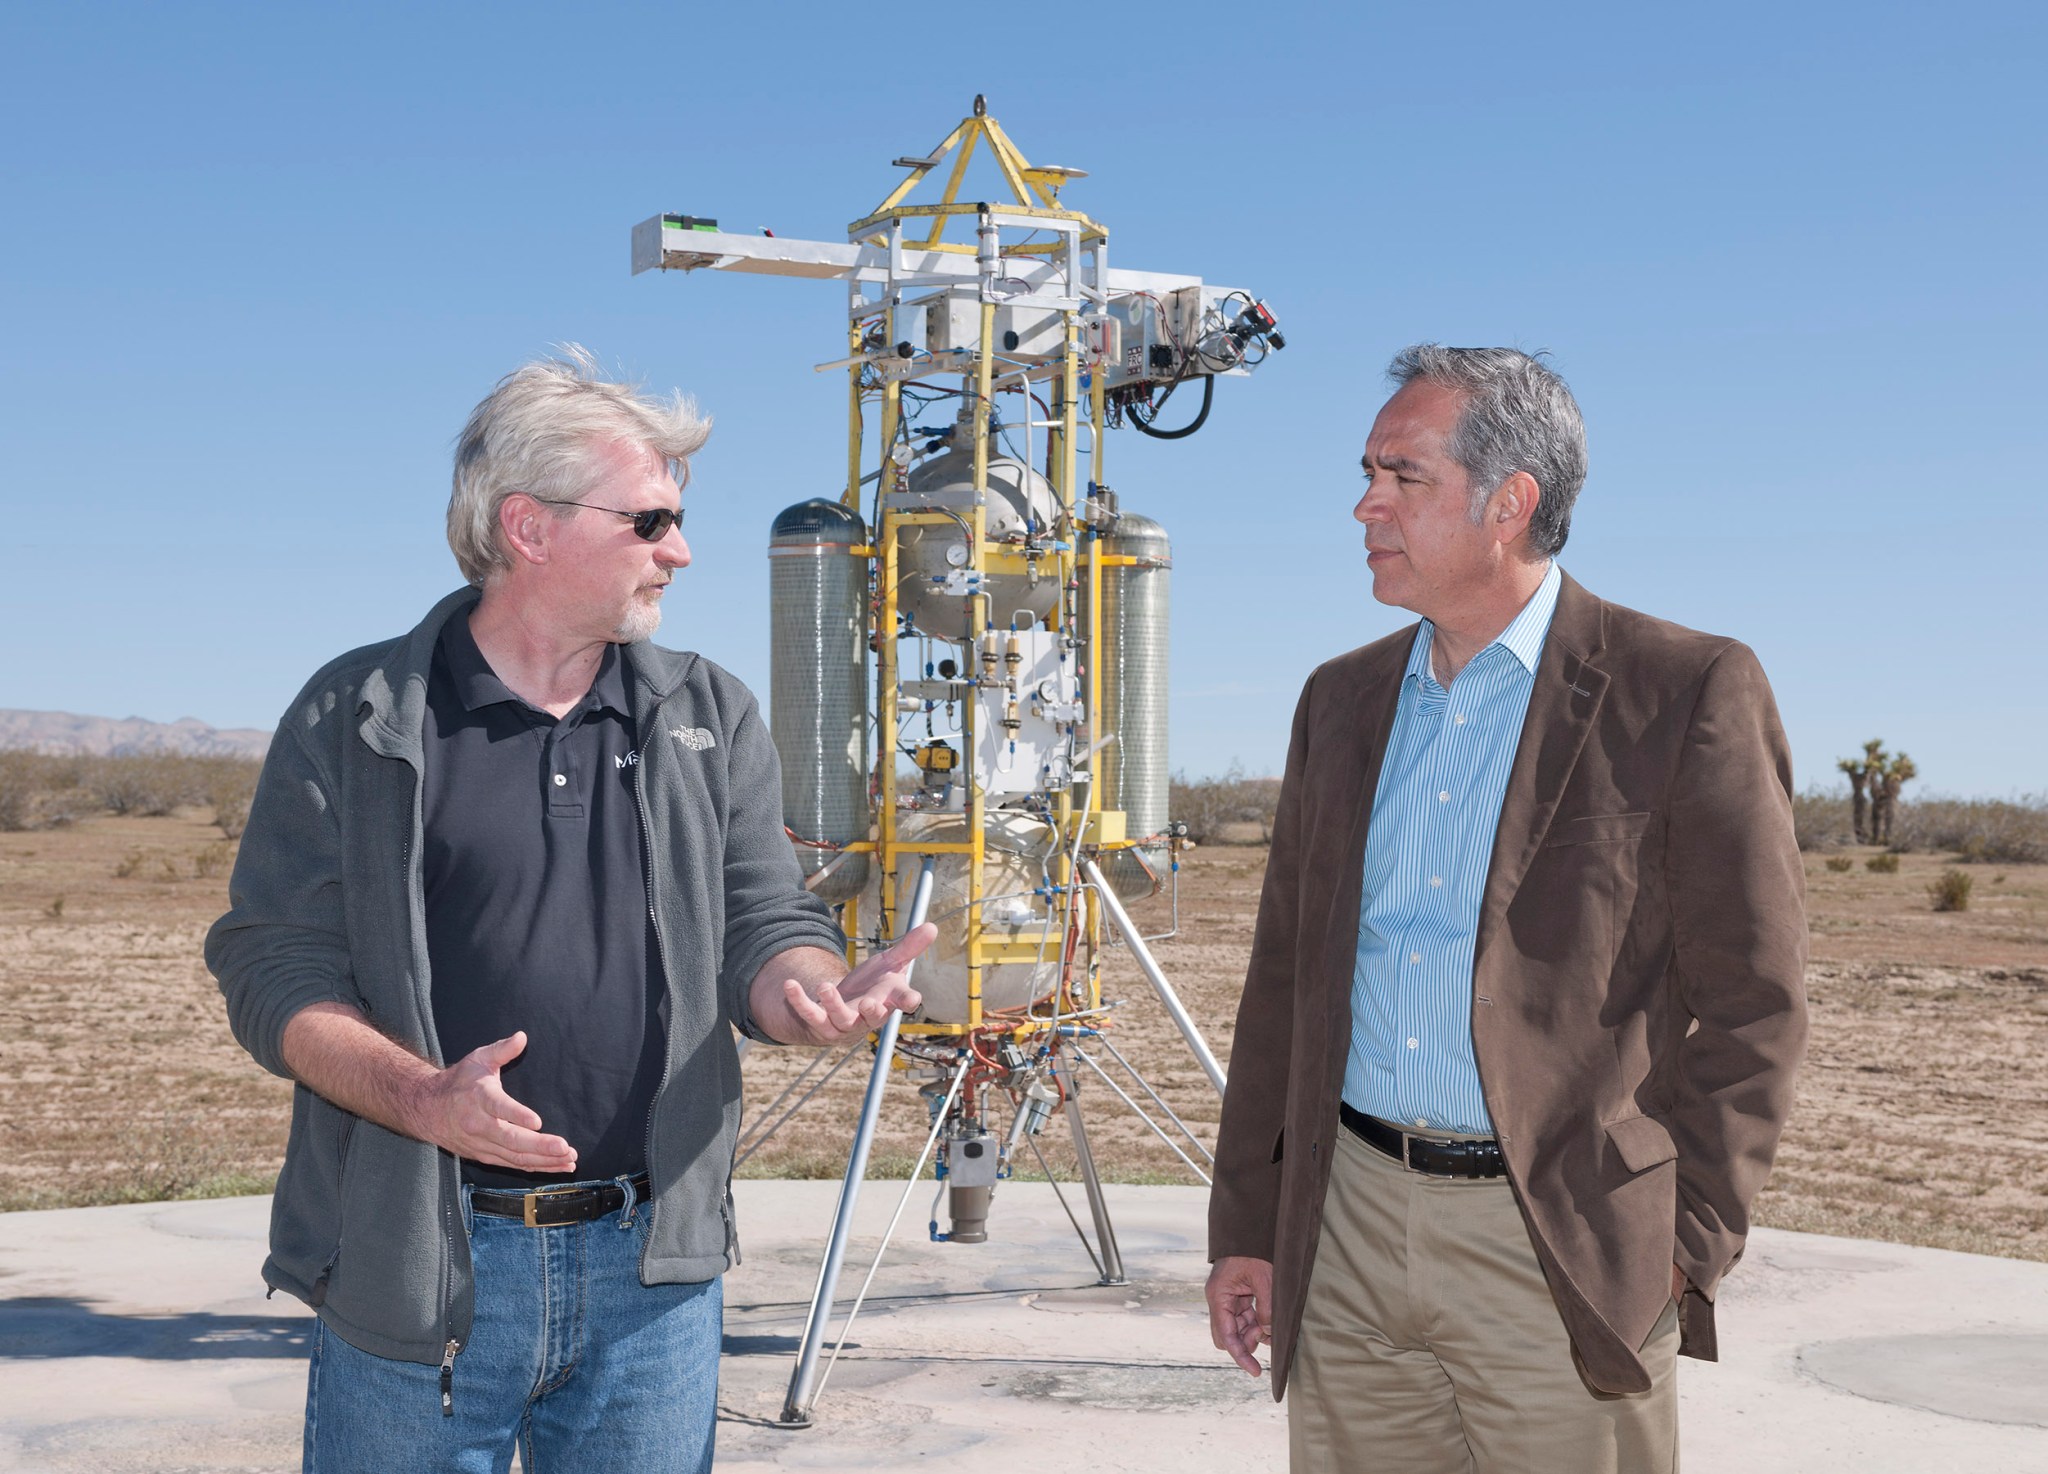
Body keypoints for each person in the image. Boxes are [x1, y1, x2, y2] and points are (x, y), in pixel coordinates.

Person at [207, 348, 933, 1473]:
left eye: (678, 520)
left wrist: (804, 989)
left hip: (654, 1273)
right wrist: (415, 1094)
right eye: (648, 521)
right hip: (426, 1261)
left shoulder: (708, 710)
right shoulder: (358, 714)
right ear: (528, 528)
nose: (679, 551)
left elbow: (760, 914)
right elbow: (273, 964)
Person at [1204, 346, 1807, 1471]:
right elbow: (1282, 983)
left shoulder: (1682, 690)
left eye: (1402, 476)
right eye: (1366, 472)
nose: (1364, 504)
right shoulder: (1337, 700)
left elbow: (1753, 1005)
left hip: (1558, 1242)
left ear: (1509, 502)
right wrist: (1249, 1223)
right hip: (1346, 1228)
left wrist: (1677, 1245)